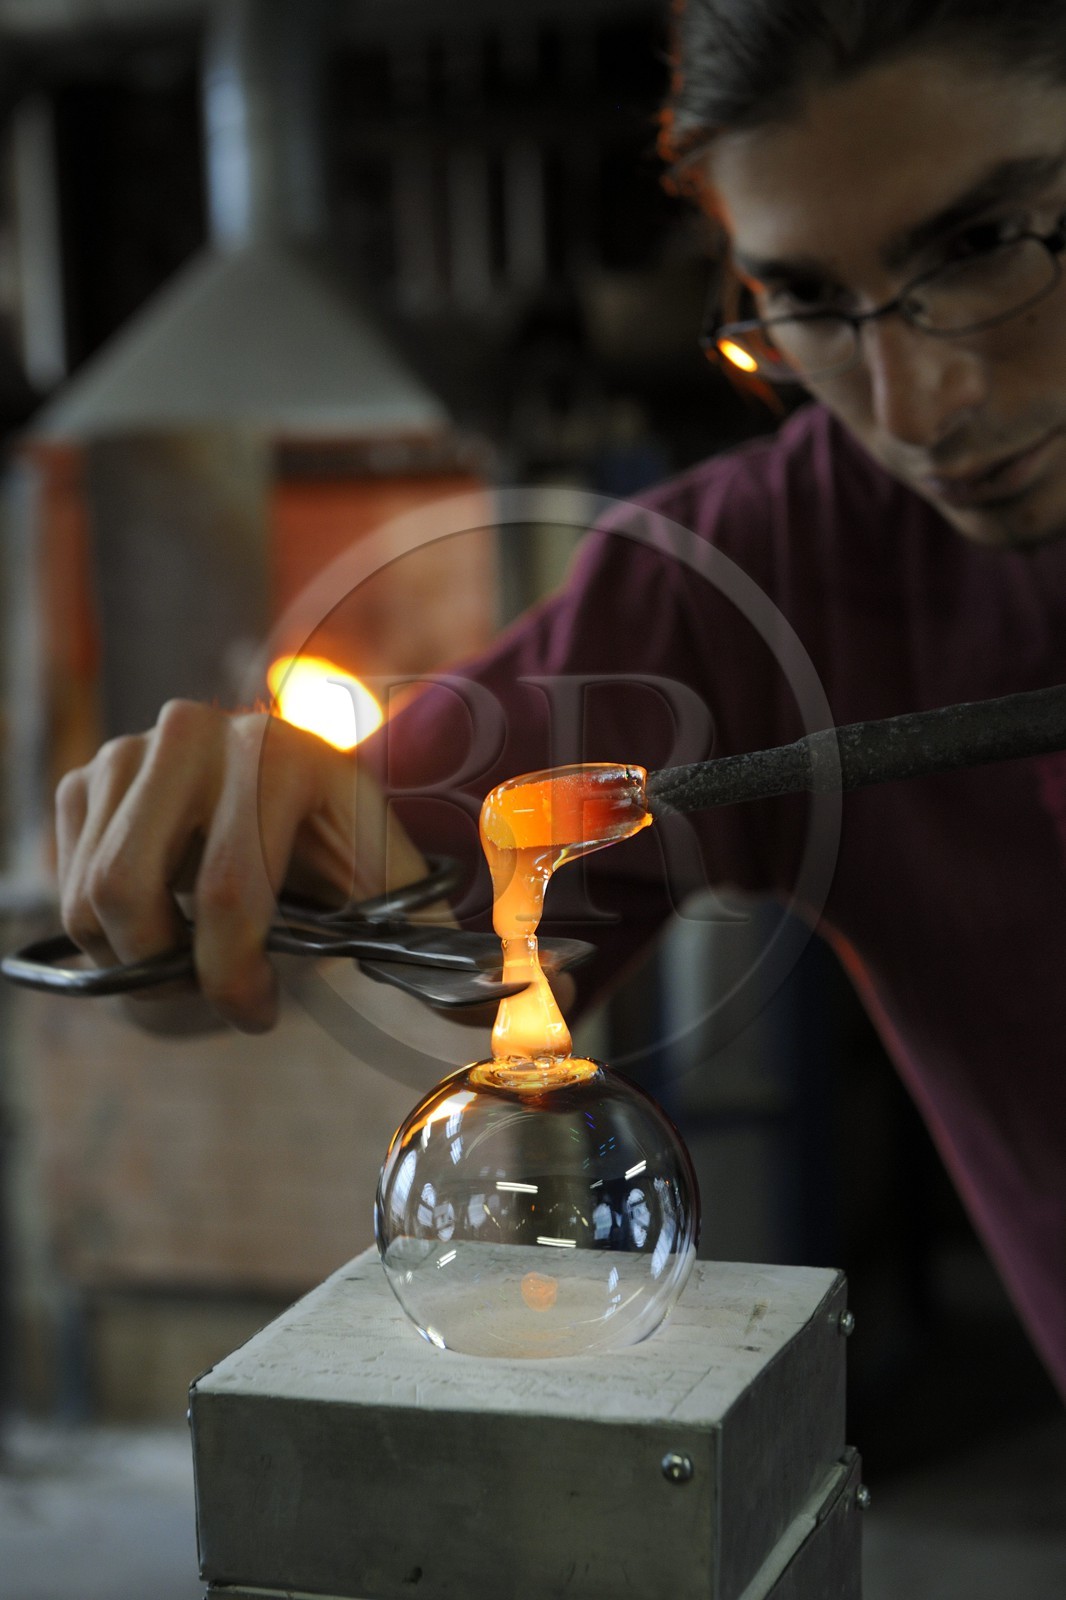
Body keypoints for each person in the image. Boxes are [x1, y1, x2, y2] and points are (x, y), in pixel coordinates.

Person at [55, 0, 1066, 1398]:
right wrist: (192, 856)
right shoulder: (757, 579)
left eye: (982, 243)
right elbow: (286, 917)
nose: (915, 402)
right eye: (808, 300)